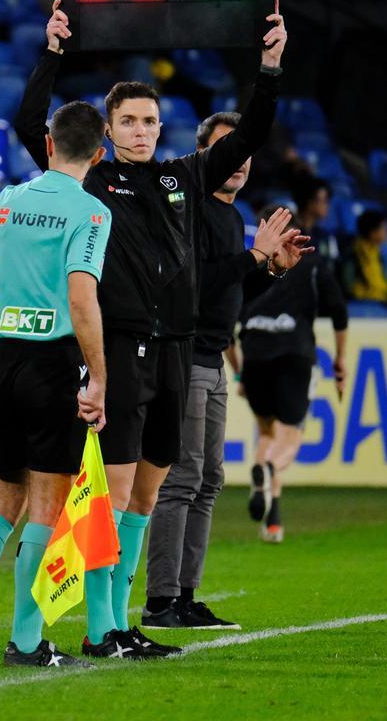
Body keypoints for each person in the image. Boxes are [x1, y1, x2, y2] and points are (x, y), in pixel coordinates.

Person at [14, 0, 292, 654]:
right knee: (111, 497)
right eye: (130, 121)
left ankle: (119, 622)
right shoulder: (90, 179)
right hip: (120, 350)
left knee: (145, 496)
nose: (142, 130)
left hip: (178, 350)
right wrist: (52, 53)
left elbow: (250, 135)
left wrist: (271, 66)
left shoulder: (183, 177)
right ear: (108, 130)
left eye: (150, 120)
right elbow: (31, 123)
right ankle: (98, 628)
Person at [0, 100, 113, 669]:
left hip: (3, 361)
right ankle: (27, 642)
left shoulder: (7, 201)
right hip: (54, 365)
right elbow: (82, 297)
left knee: (2, 497)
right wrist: (100, 378)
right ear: (100, 154)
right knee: (45, 507)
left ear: (51, 144)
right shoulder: (90, 212)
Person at [144, 114, 310, 631]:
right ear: (203, 157)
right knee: (182, 478)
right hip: (184, 357)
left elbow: (228, 295)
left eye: (243, 153)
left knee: (209, 478)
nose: (237, 162)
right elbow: (194, 285)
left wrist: (269, 267)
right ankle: (161, 600)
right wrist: (254, 256)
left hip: (212, 359)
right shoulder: (190, 210)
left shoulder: (231, 216)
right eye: (225, 151)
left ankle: (187, 596)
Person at [232, 206, 349, 543]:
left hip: (254, 353)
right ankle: (268, 472)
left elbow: (224, 323)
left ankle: (272, 521)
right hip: (294, 354)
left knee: (266, 434)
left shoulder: (248, 262)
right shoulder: (310, 262)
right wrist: (340, 360)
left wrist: (239, 374)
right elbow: (339, 311)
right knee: (289, 439)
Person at [293, 181, 338, 262]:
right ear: (309, 202)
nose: (327, 206)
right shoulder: (292, 234)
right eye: (324, 201)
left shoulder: (324, 236)